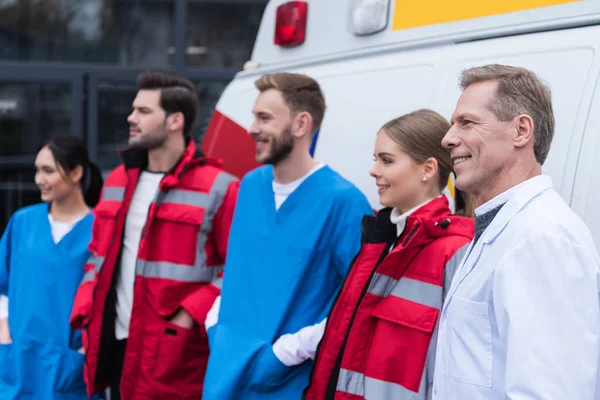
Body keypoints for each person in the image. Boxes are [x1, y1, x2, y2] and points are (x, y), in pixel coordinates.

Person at [432, 64, 600, 399]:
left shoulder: (545, 238)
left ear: (521, 131)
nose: (447, 138)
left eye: (466, 122)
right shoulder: (504, 227)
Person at [69, 70, 239, 400]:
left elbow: (237, 268)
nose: (131, 118)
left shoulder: (220, 186)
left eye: (144, 111)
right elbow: (97, 253)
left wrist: (188, 314)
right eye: (134, 109)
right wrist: (89, 297)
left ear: (175, 120)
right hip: (115, 342)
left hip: (173, 354)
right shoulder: (118, 179)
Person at [202, 73, 373, 399]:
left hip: (288, 381)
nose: (251, 128)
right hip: (226, 371)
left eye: (264, 118)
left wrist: (289, 352)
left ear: (300, 124)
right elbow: (238, 269)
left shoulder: (343, 202)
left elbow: (357, 299)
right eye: (254, 116)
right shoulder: (250, 187)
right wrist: (217, 325)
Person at [303, 109, 474, 399]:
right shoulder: (379, 238)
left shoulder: (455, 249)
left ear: (428, 169)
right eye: (375, 159)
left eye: (387, 160)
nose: (373, 170)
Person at [0, 135, 103, 399]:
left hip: (68, 366)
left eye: (47, 171)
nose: (38, 179)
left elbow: (108, 298)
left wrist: (82, 353)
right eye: (37, 170)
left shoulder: (100, 230)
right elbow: (2, 285)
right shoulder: (22, 223)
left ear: (77, 172)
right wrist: (4, 335)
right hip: (18, 362)